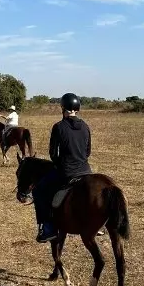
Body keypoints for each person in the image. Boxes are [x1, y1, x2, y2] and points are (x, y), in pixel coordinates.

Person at [32, 93, 92, 243]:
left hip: (67, 172)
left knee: (39, 190)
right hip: (86, 171)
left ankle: (48, 229)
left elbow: (53, 154)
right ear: (77, 108)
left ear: (63, 108)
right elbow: (88, 152)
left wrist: (60, 164)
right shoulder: (86, 127)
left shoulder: (59, 126)